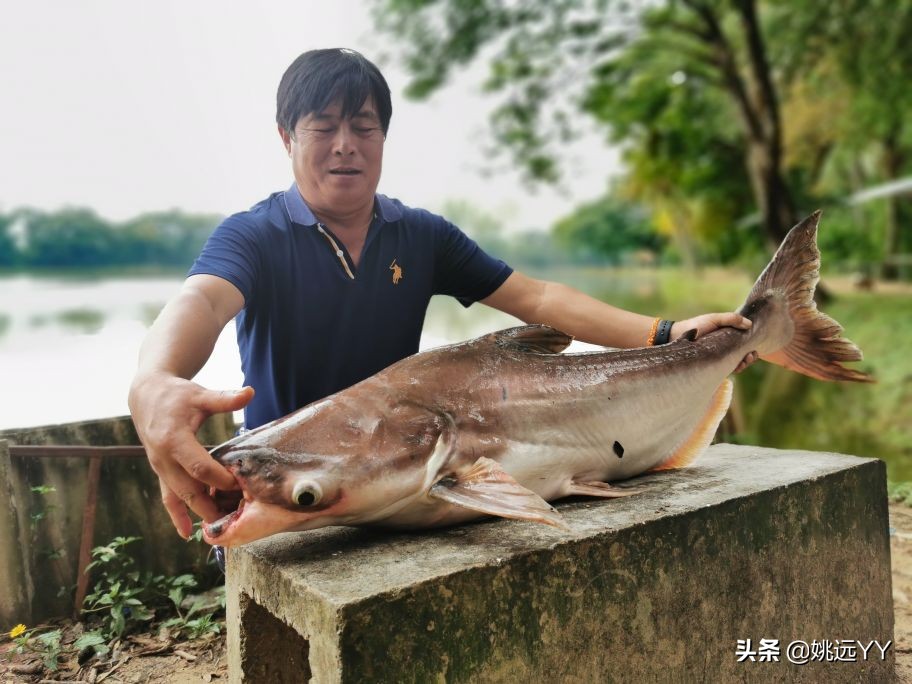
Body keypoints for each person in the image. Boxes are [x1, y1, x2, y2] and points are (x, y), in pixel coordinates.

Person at [128, 48, 757, 540]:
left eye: (364, 126)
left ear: (383, 137)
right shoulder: (255, 236)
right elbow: (202, 301)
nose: (345, 144)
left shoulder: (421, 235)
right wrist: (154, 380)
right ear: (286, 138)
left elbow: (535, 300)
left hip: (409, 475)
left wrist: (668, 335)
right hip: (296, 491)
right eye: (323, 127)